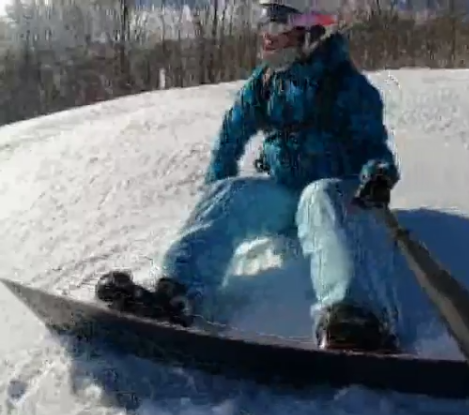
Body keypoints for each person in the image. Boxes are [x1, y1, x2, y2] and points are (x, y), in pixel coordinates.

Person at [94, 0, 404, 354]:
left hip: (337, 200)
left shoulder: (348, 87)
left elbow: (372, 146)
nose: (266, 38)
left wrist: (378, 175)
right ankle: (178, 293)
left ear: (312, 30)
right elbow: (232, 133)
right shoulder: (267, 82)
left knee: (318, 196)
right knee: (232, 193)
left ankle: (354, 316)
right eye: (263, 26)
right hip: (285, 196)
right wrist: (217, 188)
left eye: (277, 26)